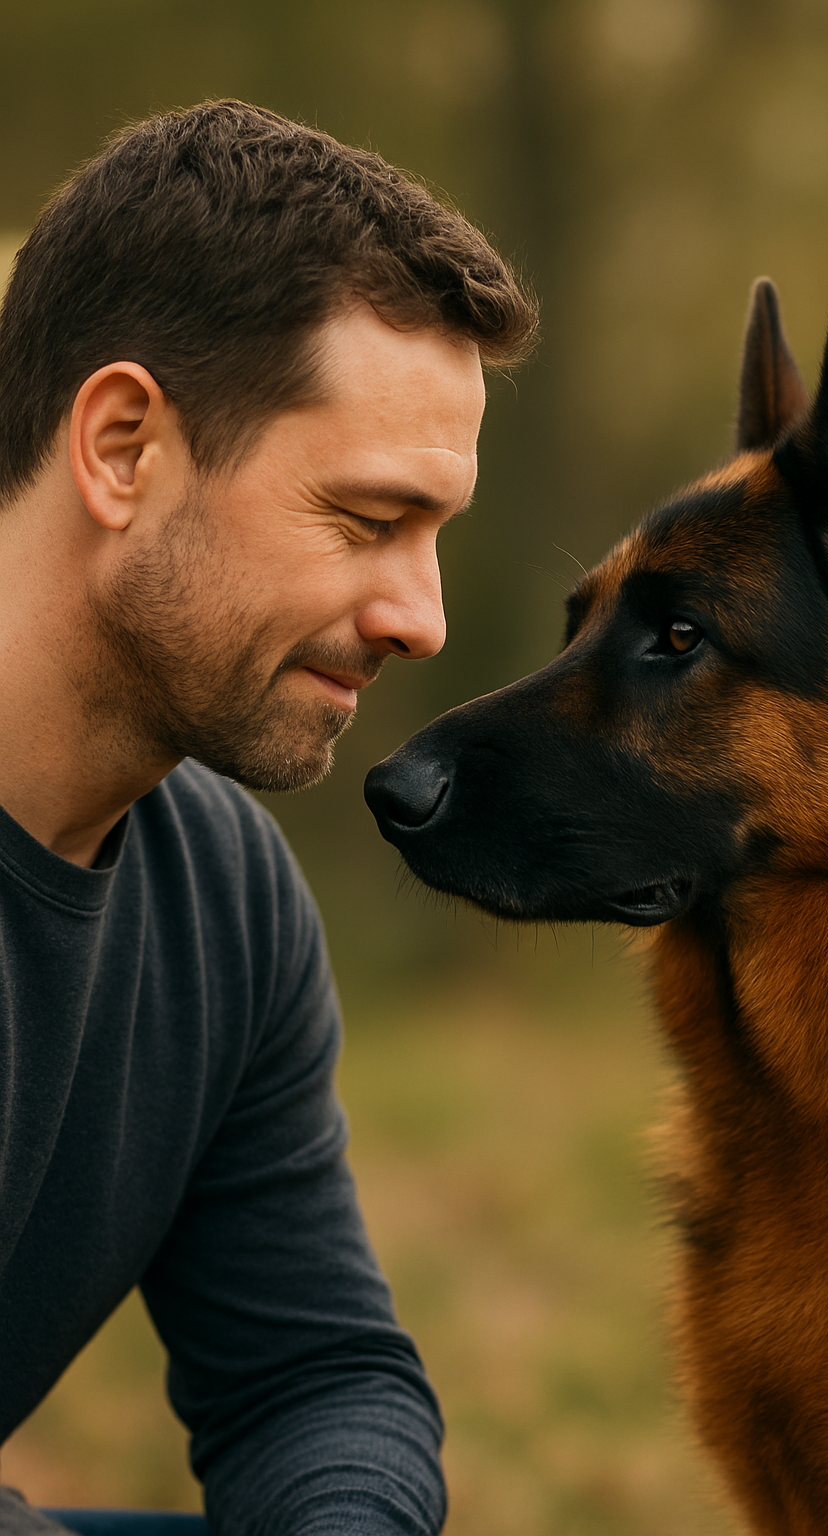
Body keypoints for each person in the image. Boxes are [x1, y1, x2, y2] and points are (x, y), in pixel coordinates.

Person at [0, 100, 537, 1535]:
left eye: (437, 538)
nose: (421, 619)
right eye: (367, 522)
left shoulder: (222, 893)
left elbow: (307, 1379)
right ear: (123, 447)